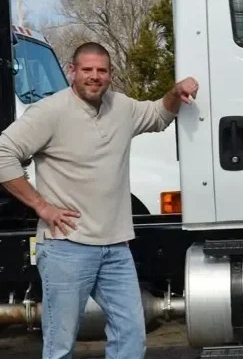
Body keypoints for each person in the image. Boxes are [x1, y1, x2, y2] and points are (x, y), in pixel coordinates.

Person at [0, 42, 199, 359]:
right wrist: (41, 206)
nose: (94, 77)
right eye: (87, 70)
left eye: (101, 70)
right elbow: (3, 153)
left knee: (132, 335)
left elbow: (159, 115)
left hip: (116, 248)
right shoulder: (49, 112)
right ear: (72, 71)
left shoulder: (121, 107)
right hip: (66, 247)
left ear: (110, 74)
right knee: (60, 346)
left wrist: (177, 91)